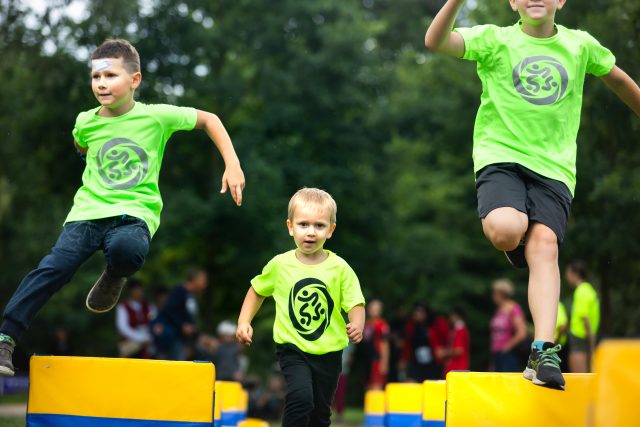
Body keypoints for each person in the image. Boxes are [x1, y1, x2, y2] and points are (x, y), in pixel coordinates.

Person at [425, 0, 640, 390]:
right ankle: (513, 239)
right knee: (508, 228)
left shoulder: (580, 46)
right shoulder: (494, 40)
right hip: (501, 158)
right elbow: (436, 41)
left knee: (545, 248)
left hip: (555, 170)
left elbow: (620, 81)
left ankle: (543, 352)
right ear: (512, 2)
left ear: (561, 1)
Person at [0, 39, 245, 376]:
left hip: (134, 215)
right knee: (53, 268)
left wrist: (232, 164)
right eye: (96, 77)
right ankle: (6, 338)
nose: (101, 83)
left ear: (135, 80)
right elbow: (80, 141)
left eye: (111, 75)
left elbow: (210, 120)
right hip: (86, 214)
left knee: (128, 249)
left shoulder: (157, 117)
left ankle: (114, 275)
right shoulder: (86, 120)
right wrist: (85, 154)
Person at [236, 188, 366, 427]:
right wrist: (244, 321)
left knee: (320, 413)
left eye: (319, 226)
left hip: (329, 351)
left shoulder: (339, 268)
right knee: (301, 397)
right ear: (290, 227)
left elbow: (355, 302)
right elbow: (257, 290)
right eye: (303, 224)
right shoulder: (280, 264)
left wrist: (357, 324)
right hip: (292, 348)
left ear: (330, 230)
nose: (310, 232)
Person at [153, 268, 209, 360]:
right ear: (195, 279)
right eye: (203, 280)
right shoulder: (179, 292)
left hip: (182, 339)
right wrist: (182, 325)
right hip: (173, 338)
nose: (205, 284)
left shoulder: (190, 295)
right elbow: (169, 310)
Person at [565, 260, 599, 373]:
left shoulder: (581, 291)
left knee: (580, 377)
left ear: (575, 273)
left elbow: (585, 319)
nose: (567, 276)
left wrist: (591, 344)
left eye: (568, 273)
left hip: (579, 338)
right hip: (585, 337)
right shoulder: (589, 290)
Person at [490, 279, 528, 373]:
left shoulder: (514, 308)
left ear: (502, 293)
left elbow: (521, 333)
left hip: (509, 353)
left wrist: (506, 348)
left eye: (495, 293)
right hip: (497, 353)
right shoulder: (498, 310)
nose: (493, 296)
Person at [400, 303, 441, 381]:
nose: (417, 314)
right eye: (416, 312)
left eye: (420, 312)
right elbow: (407, 345)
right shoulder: (411, 327)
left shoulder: (433, 327)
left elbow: (438, 345)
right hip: (415, 362)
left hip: (431, 364)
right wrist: (404, 359)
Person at [116, 279, 152, 358]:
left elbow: (152, 323)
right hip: (130, 345)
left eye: (139, 290)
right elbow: (123, 327)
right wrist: (141, 338)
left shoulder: (148, 306)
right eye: (135, 290)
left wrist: (147, 338)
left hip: (147, 344)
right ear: (130, 291)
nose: (137, 292)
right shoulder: (123, 306)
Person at [362, 299, 390, 390]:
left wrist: (384, 362)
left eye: (377, 309)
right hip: (367, 359)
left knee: (376, 385)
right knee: (367, 385)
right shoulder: (366, 324)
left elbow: (385, 344)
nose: (374, 312)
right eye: (372, 309)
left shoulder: (382, 325)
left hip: (377, 359)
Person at [443, 306, 470, 375]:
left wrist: (444, 353)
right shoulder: (458, 330)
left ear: (456, 316)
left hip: (458, 369)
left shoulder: (460, 330)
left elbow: (459, 350)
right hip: (457, 369)